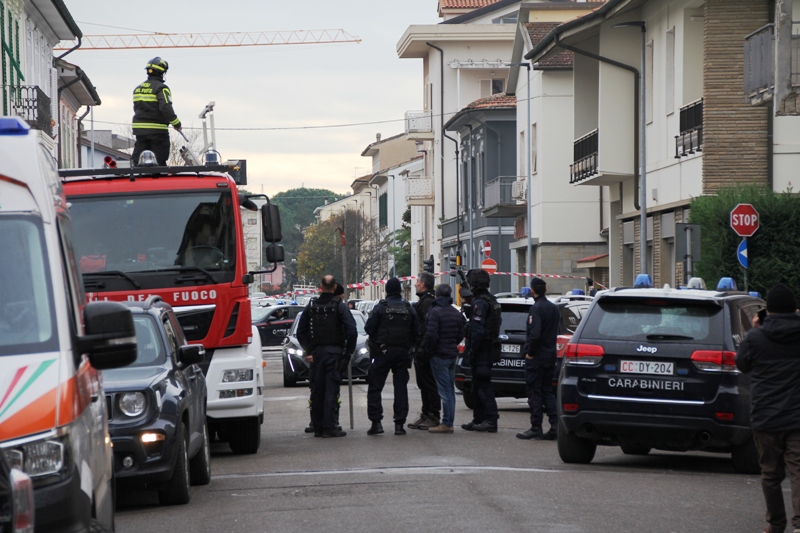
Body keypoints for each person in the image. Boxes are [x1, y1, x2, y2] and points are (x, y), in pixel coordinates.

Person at [736, 284, 800, 533]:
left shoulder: (756, 337)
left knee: (771, 473)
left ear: (767, 311)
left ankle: (775, 524)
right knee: (798, 470)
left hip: (766, 416)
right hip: (797, 416)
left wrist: (754, 330)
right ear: (794, 308)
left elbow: (742, 364)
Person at [296, 275, 357, 438]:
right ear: (335, 286)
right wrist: (348, 353)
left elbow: (300, 332)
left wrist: (308, 351)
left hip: (317, 354)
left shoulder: (311, 305)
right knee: (331, 389)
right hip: (334, 353)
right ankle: (329, 426)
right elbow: (352, 330)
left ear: (320, 286)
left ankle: (317, 426)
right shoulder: (340, 307)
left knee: (317, 390)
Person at [364, 277, 418, 436]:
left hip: (382, 352)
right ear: (400, 291)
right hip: (402, 353)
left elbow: (369, 328)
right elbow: (417, 331)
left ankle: (376, 423)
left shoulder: (381, 307)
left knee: (375, 387)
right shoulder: (409, 307)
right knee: (401, 388)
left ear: (387, 291)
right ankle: (399, 425)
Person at [517, 277, 560, 440]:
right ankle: (555, 425)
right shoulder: (553, 308)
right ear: (546, 289)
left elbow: (535, 334)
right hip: (550, 355)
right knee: (547, 391)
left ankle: (536, 427)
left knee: (534, 391)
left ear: (532, 290)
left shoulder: (536, 309)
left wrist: (530, 352)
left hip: (537, 357)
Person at [422, 283, 466, 434]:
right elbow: (461, 332)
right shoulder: (456, 312)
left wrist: (429, 350)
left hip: (439, 355)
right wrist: (452, 343)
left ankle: (447, 423)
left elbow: (431, 334)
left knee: (444, 390)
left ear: (437, 296)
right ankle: (449, 421)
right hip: (451, 354)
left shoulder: (435, 312)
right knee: (450, 389)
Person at [461, 269, 501, 433]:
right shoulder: (492, 300)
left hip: (482, 350)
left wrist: (472, 350)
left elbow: (478, 331)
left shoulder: (481, 303)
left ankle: (490, 420)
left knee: (483, 386)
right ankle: (479, 419)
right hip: (488, 348)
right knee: (476, 386)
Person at [132, 57, 182, 166]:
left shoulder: (138, 89)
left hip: (140, 131)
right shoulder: (161, 88)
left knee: (138, 163)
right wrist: (176, 123)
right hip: (157, 131)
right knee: (159, 163)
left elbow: (136, 108)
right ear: (162, 73)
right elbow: (165, 107)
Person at [407, 272, 441, 430]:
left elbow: (427, 329)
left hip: (425, 351)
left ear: (423, 284)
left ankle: (433, 415)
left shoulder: (427, 303)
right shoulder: (423, 301)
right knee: (423, 384)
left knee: (429, 384)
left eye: (417, 281)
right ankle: (426, 413)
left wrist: (422, 349)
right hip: (420, 349)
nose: (415, 284)